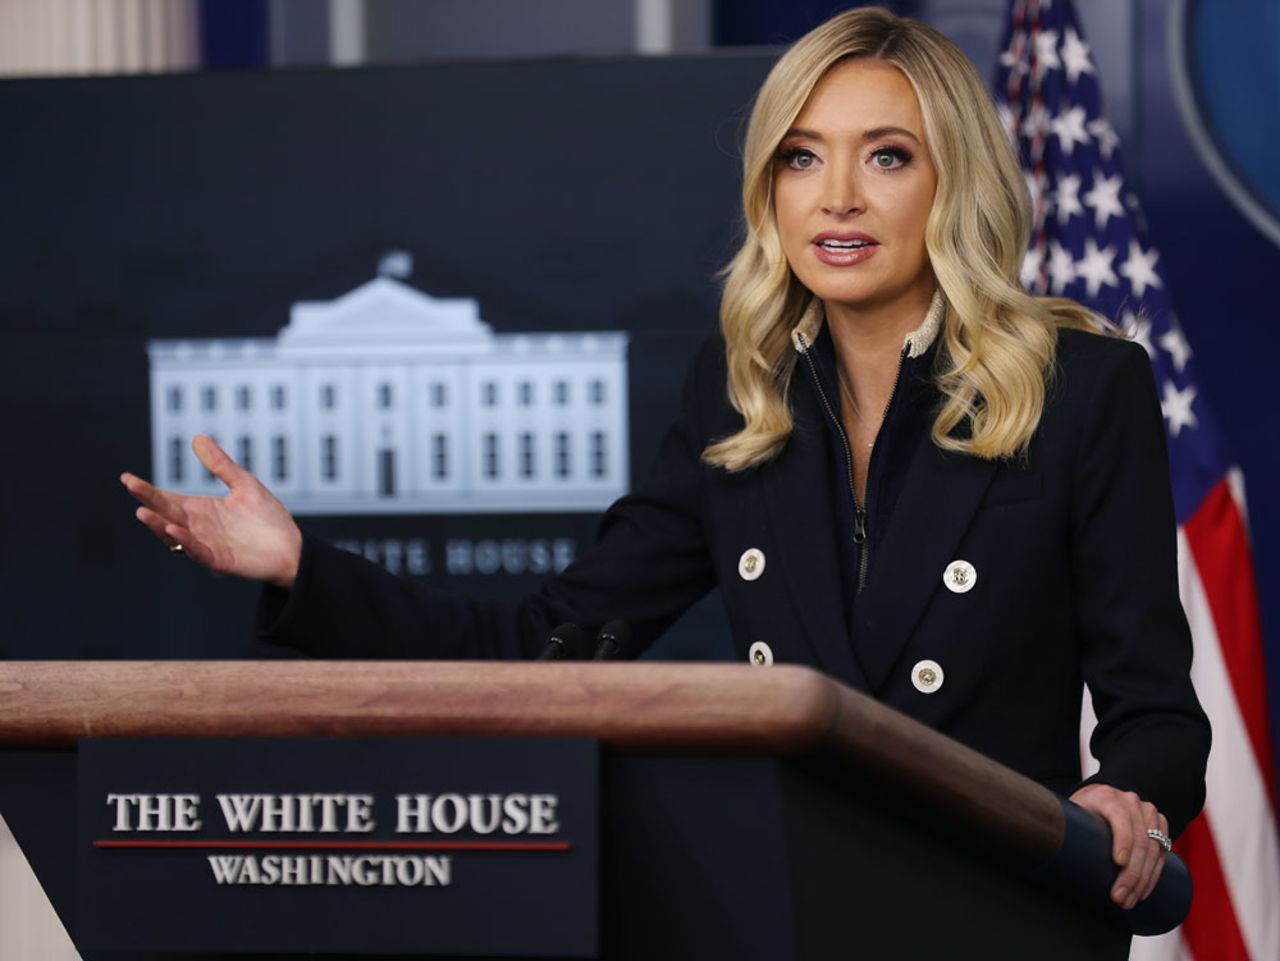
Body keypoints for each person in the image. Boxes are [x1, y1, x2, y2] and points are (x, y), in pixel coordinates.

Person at [121, 6, 1208, 914]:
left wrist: (1123, 794)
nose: (835, 196)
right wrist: (301, 566)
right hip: (790, 913)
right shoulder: (739, 399)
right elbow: (540, 646)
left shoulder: (1078, 388)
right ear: (769, 188)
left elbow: (1153, 711)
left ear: (950, 182)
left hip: (992, 916)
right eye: (800, 156)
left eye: (885, 155)